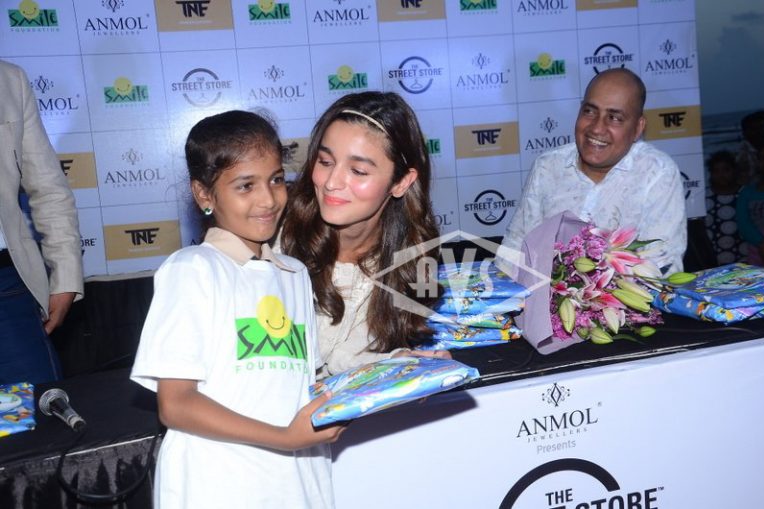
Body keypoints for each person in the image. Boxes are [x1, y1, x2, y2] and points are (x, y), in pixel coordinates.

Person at [130, 110, 344, 509]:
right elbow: (175, 404)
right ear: (204, 194)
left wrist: (391, 374)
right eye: (246, 185)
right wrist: (284, 438)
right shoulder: (192, 269)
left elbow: (302, 386)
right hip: (218, 487)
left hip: (297, 485)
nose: (268, 199)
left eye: (276, 179)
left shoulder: (294, 273)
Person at [280, 92, 450, 377]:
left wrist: (399, 362)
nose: (332, 182)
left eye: (358, 171)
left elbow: (346, 360)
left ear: (401, 182)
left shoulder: (417, 258)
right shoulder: (275, 242)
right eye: (325, 161)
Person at [501, 68, 687, 274]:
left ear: (637, 128)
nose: (597, 128)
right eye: (589, 112)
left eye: (614, 118)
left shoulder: (657, 173)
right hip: (539, 293)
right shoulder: (548, 166)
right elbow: (514, 250)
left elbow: (660, 268)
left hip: (624, 295)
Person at [0, 59, 83, 384]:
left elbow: (48, 187)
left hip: (6, 289)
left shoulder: (9, 80)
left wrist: (65, 276)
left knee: (28, 410)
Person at [705, 150, 746, 265]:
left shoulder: (745, 194)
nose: (721, 175)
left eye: (726, 170)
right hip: (711, 263)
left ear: (734, 171)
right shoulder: (703, 198)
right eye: (716, 171)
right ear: (710, 173)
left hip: (744, 261)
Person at [736, 143, 764, 266]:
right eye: (763, 158)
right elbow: (743, 223)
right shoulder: (747, 192)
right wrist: (762, 243)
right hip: (757, 251)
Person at [736, 110, 764, 185]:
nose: (759, 131)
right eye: (754, 129)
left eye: (761, 127)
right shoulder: (743, 155)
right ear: (745, 133)